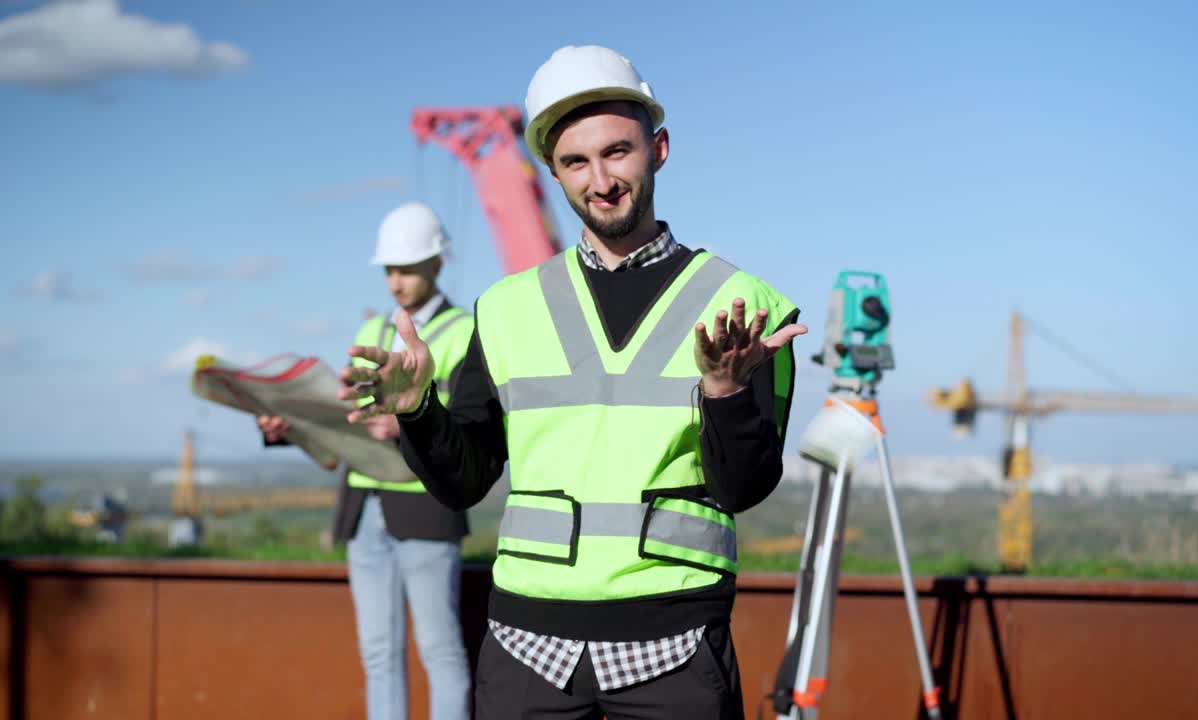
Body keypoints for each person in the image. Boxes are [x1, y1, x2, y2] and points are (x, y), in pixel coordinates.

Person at [340, 45, 806, 719]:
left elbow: (742, 489)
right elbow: (465, 479)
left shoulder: (746, 308)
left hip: (674, 649)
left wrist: (727, 394)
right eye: (575, 162)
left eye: (618, 152)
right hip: (526, 651)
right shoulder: (503, 310)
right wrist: (419, 411)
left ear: (660, 148)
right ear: (552, 172)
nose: (601, 179)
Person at [258, 201, 472, 720]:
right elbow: (348, 421)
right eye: (389, 270)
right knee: (378, 655)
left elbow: (473, 431)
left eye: (407, 268)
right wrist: (291, 429)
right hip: (364, 511)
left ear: (437, 264)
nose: (396, 281)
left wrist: (408, 423)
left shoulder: (466, 332)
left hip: (426, 510)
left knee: (440, 654)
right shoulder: (374, 334)